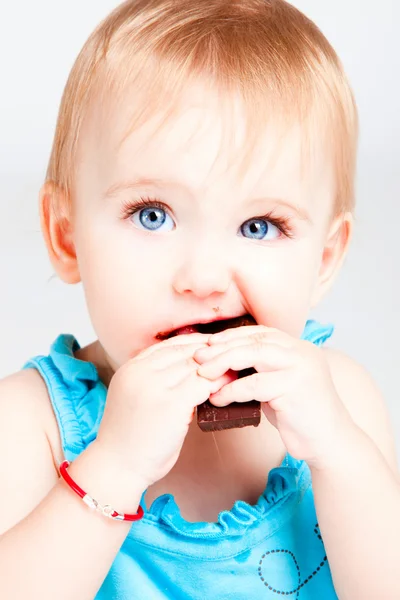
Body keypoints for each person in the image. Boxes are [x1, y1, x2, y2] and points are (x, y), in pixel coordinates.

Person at [0, 0, 399, 598]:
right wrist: (113, 468)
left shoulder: (341, 399)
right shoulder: (33, 425)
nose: (204, 278)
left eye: (260, 225)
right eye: (153, 215)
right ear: (67, 235)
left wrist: (339, 455)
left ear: (323, 258)